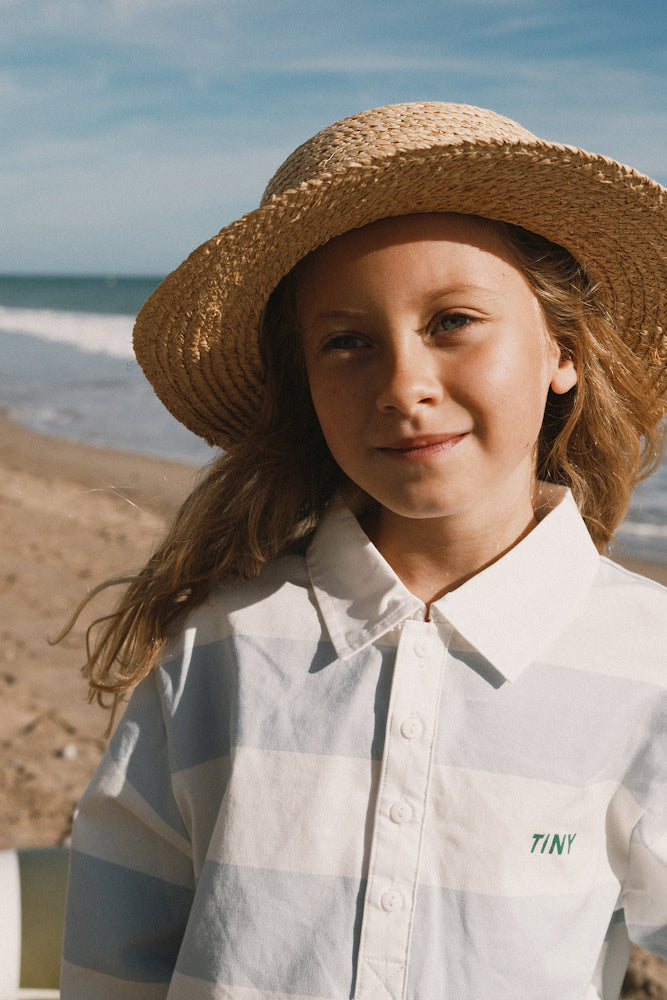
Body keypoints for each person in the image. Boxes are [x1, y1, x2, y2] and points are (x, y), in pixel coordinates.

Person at [60, 102, 667, 1000]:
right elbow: (114, 958)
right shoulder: (218, 644)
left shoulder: (645, 657)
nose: (402, 385)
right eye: (346, 342)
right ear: (305, 385)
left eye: (452, 321)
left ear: (562, 350)